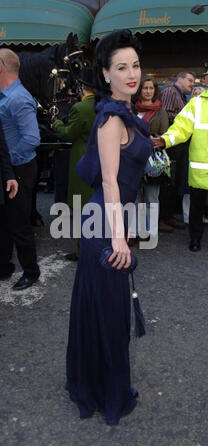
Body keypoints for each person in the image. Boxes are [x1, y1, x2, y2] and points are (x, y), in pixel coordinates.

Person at [65, 29, 153, 425]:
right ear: (105, 74)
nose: (131, 74)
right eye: (121, 67)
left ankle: (101, 383)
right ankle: (101, 390)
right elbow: (109, 182)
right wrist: (119, 237)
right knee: (109, 315)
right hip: (103, 227)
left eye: (135, 65)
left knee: (108, 314)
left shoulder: (127, 113)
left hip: (111, 220)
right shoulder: (109, 120)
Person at [0, 49, 41, 290]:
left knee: (19, 222)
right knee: (4, 220)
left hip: (19, 169)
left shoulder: (18, 98)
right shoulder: (7, 95)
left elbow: (32, 138)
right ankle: (4, 266)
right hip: (10, 168)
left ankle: (31, 271)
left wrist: (7, 161)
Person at [152, 88, 208, 252]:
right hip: (200, 169)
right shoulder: (197, 104)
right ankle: (195, 238)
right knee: (196, 206)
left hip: (199, 167)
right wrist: (166, 139)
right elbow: (181, 127)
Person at [53, 68, 96, 261]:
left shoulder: (81, 108)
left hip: (82, 159)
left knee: (80, 206)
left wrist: (56, 124)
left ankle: (82, 250)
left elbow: (69, 133)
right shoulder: (106, 105)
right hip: (102, 160)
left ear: (83, 86)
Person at [129, 76, 169, 245]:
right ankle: (132, 233)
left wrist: (153, 139)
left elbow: (165, 133)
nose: (147, 91)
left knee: (152, 197)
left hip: (152, 159)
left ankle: (149, 232)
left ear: (155, 90)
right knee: (133, 196)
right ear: (140, 90)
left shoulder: (160, 110)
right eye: (145, 88)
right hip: (132, 158)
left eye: (151, 88)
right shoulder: (131, 108)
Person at [159, 71, 195, 232]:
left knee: (173, 183)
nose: (192, 83)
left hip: (178, 145)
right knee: (168, 182)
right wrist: (184, 120)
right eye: (189, 80)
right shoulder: (170, 91)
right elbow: (166, 115)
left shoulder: (181, 96)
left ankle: (168, 216)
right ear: (179, 78)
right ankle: (162, 218)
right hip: (172, 144)